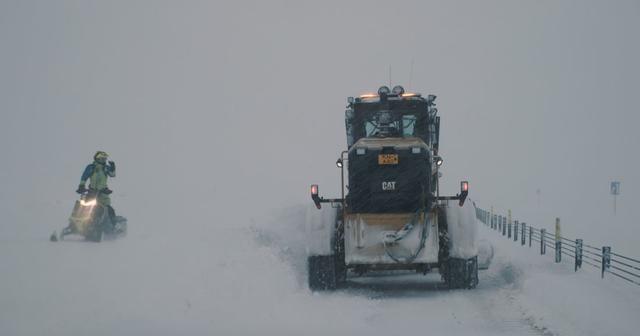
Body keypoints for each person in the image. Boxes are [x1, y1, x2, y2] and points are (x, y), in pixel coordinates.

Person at [77, 151, 117, 222]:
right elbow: (84, 176)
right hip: (92, 192)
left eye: (105, 159)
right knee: (83, 206)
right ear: (97, 159)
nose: (104, 160)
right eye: (102, 159)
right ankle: (75, 223)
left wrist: (113, 167)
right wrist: (81, 186)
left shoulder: (106, 168)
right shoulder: (91, 167)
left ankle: (114, 224)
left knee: (108, 208)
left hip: (103, 192)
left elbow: (112, 175)